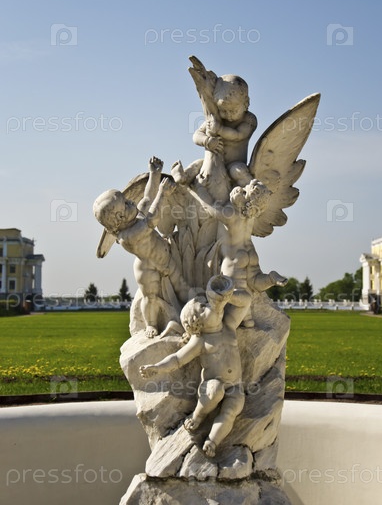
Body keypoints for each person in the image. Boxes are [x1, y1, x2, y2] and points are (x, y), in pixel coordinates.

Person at [139, 274, 245, 458]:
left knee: (231, 411)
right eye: (203, 307)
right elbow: (177, 359)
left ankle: (212, 441)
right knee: (215, 391)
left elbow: (245, 302)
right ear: (197, 323)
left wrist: (228, 297)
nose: (210, 305)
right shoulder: (200, 340)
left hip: (236, 385)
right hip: (212, 384)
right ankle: (198, 416)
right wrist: (156, 367)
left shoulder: (228, 326)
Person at [93, 158, 188, 338]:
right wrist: (163, 193)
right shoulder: (128, 236)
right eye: (126, 203)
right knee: (150, 298)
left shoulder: (135, 218)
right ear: (120, 218)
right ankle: (151, 324)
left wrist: (154, 174)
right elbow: (152, 221)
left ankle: (191, 307)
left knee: (181, 285)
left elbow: (147, 198)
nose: (131, 202)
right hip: (147, 268)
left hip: (165, 259)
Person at [188, 180, 287, 329]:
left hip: (236, 258)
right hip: (250, 253)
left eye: (245, 189)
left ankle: (218, 296)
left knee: (234, 298)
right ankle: (270, 280)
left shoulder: (231, 214)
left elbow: (210, 207)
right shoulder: (251, 216)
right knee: (254, 283)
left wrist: (194, 186)